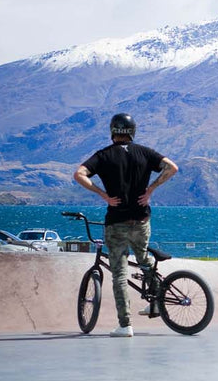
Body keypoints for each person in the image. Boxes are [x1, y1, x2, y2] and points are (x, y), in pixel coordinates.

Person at [73, 113, 179, 337]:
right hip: (141, 220)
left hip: (116, 222)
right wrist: (150, 190)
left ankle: (125, 325)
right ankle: (156, 301)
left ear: (113, 131)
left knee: (119, 274)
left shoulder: (103, 155)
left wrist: (102, 194)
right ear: (133, 131)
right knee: (143, 259)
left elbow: (79, 174)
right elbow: (172, 168)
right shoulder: (145, 153)